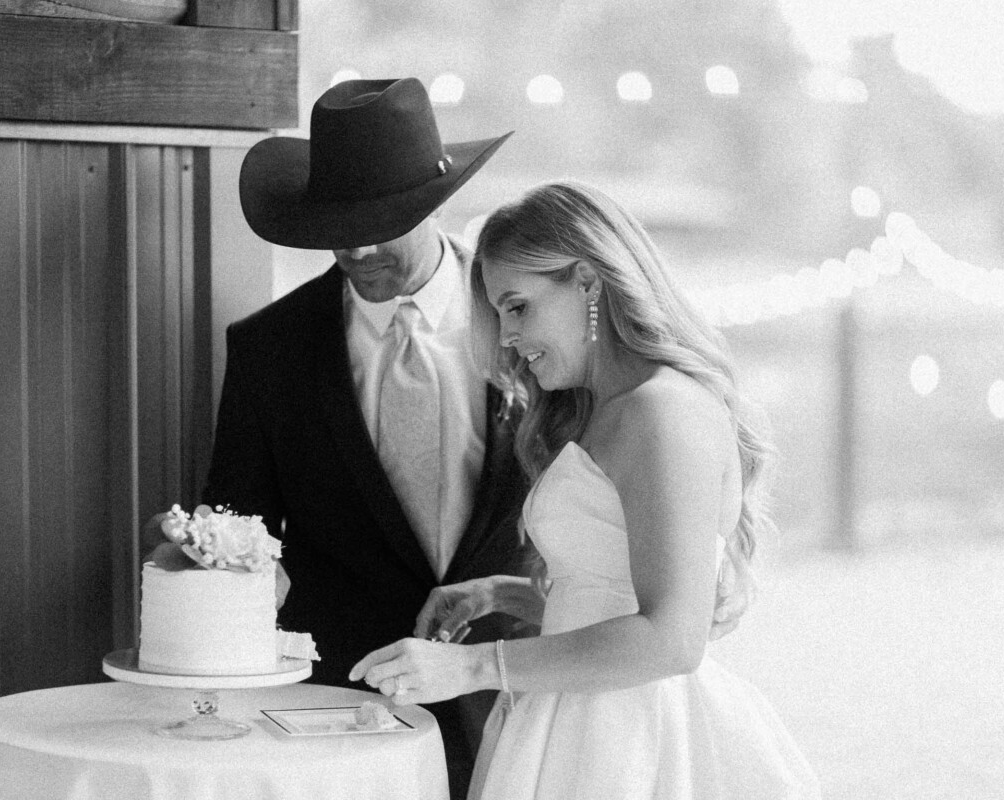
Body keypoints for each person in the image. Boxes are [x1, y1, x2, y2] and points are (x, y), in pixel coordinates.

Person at [349, 180, 822, 798]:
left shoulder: (661, 411)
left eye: (517, 307)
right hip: (571, 718)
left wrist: (470, 666)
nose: (509, 337)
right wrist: (502, 594)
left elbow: (671, 638)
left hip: (631, 742)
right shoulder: (603, 408)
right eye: (498, 314)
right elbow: (609, 599)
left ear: (588, 281)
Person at [206, 77, 534, 800]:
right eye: (336, 225)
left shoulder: (527, 320)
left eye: (380, 220)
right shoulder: (271, 349)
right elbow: (239, 531)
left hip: (523, 691)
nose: (356, 247)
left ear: (433, 204)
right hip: (342, 713)